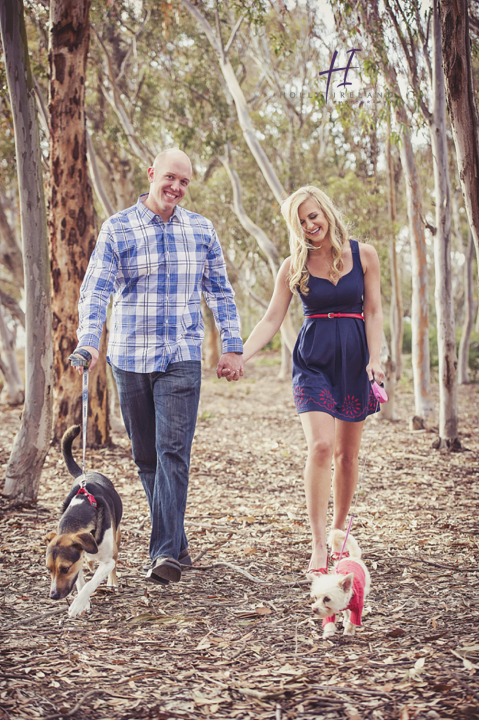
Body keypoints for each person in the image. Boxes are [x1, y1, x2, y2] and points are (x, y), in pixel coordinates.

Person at [72, 148, 244, 585]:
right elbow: (96, 291)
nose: (177, 188)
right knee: (146, 457)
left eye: (185, 182)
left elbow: (220, 292)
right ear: (152, 175)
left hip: (181, 356)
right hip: (128, 358)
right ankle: (177, 541)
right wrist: (89, 342)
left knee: (172, 453)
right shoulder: (118, 229)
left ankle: (163, 553)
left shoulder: (201, 230)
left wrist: (232, 346)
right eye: (170, 178)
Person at [232, 185, 384, 574]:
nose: (309, 225)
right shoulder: (292, 266)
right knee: (320, 445)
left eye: (313, 216)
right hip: (313, 362)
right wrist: (240, 355)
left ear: (326, 212)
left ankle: (338, 536)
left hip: (354, 362)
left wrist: (376, 360)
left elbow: (374, 310)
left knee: (346, 456)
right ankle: (318, 544)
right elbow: (271, 319)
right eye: (300, 222)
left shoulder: (363, 255)